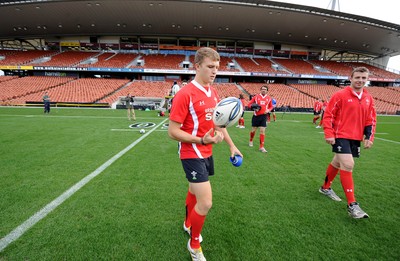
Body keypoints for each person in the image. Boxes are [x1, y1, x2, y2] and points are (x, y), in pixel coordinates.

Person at [168, 47, 242, 261]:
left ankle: (187, 223)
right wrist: (201, 140)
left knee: (194, 190)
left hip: (207, 151)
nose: (214, 71)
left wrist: (231, 145)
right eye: (210, 67)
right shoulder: (185, 94)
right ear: (197, 66)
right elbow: (173, 132)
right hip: (191, 152)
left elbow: (220, 125)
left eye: (217, 67)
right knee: (206, 202)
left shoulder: (214, 93)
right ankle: (194, 244)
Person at [318, 67, 376, 219]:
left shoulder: (368, 98)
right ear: (351, 78)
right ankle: (352, 205)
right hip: (339, 135)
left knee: (337, 163)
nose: (360, 80)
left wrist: (369, 137)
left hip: (355, 137)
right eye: (358, 77)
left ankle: (325, 188)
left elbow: (371, 119)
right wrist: (329, 133)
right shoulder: (340, 95)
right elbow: (328, 115)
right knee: (348, 164)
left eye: (364, 78)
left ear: (367, 79)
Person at [248, 85, 273, 153]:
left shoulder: (269, 98)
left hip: (264, 116)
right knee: (253, 130)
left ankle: (261, 147)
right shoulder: (256, 97)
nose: (263, 90)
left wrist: (268, 110)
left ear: (267, 91)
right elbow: (249, 104)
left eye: (265, 89)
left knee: (262, 131)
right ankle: (251, 140)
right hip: (256, 116)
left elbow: (271, 106)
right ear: (260, 90)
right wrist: (253, 108)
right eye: (262, 89)